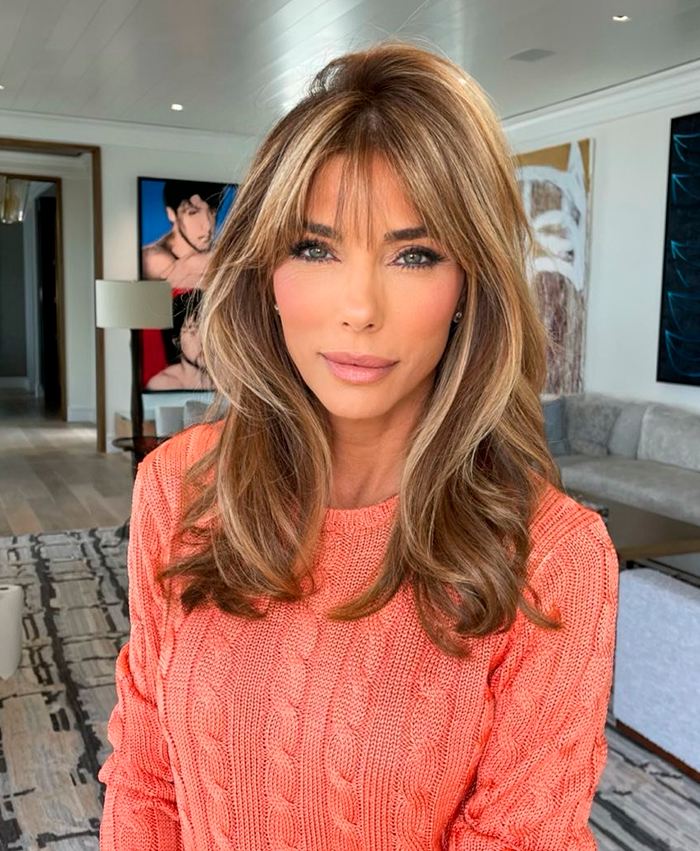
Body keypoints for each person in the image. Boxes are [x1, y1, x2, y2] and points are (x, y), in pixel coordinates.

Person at [99, 43, 618, 850]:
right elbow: (145, 777)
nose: (359, 306)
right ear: (267, 270)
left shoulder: (555, 558)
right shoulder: (177, 485)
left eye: (415, 254)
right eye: (316, 247)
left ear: (467, 287)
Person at [141, 180, 225, 288]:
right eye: (193, 213)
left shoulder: (218, 250)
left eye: (212, 212)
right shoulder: (153, 258)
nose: (208, 227)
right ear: (171, 214)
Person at [146, 290, 213, 391]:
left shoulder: (232, 381)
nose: (204, 341)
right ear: (176, 340)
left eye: (209, 330)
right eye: (193, 331)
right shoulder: (164, 384)